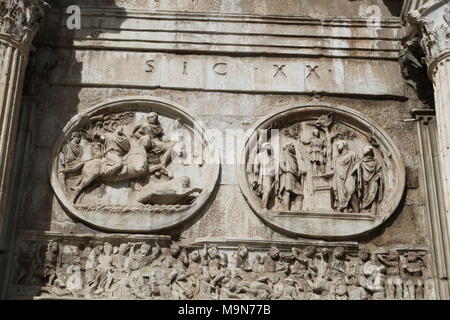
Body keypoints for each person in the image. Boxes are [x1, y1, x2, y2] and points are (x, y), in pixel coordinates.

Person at [333, 140, 359, 213]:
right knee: (342, 195)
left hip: (349, 175)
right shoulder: (337, 158)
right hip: (339, 179)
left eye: (339, 144)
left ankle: (357, 211)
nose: (337, 146)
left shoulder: (352, 154)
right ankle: (345, 211)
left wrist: (356, 166)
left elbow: (358, 162)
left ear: (344, 144)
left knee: (351, 190)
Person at [357, 146, 384, 215]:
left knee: (373, 195)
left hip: (373, 181)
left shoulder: (375, 162)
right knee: (365, 197)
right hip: (364, 183)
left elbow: (380, 171)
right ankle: (365, 211)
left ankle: (373, 212)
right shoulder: (361, 162)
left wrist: (378, 176)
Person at [278, 143, 305, 210]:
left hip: (294, 177)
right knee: (287, 191)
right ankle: (286, 209)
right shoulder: (284, 154)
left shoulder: (293, 157)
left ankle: (297, 209)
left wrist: (298, 173)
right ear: (287, 147)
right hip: (287, 175)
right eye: (292, 146)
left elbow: (295, 169)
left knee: (300, 194)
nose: (293, 148)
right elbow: (281, 164)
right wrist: (287, 171)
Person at [253, 142, 276, 209]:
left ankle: (265, 204)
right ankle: (264, 206)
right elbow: (256, 165)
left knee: (268, 190)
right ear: (265, 147)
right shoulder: (260, 155)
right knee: (267, 190)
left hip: (271, 176)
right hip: (264, 174)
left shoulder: (272, 157)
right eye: (269, 145)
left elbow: (273, 167)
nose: (271, 147)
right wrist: (256, 172)